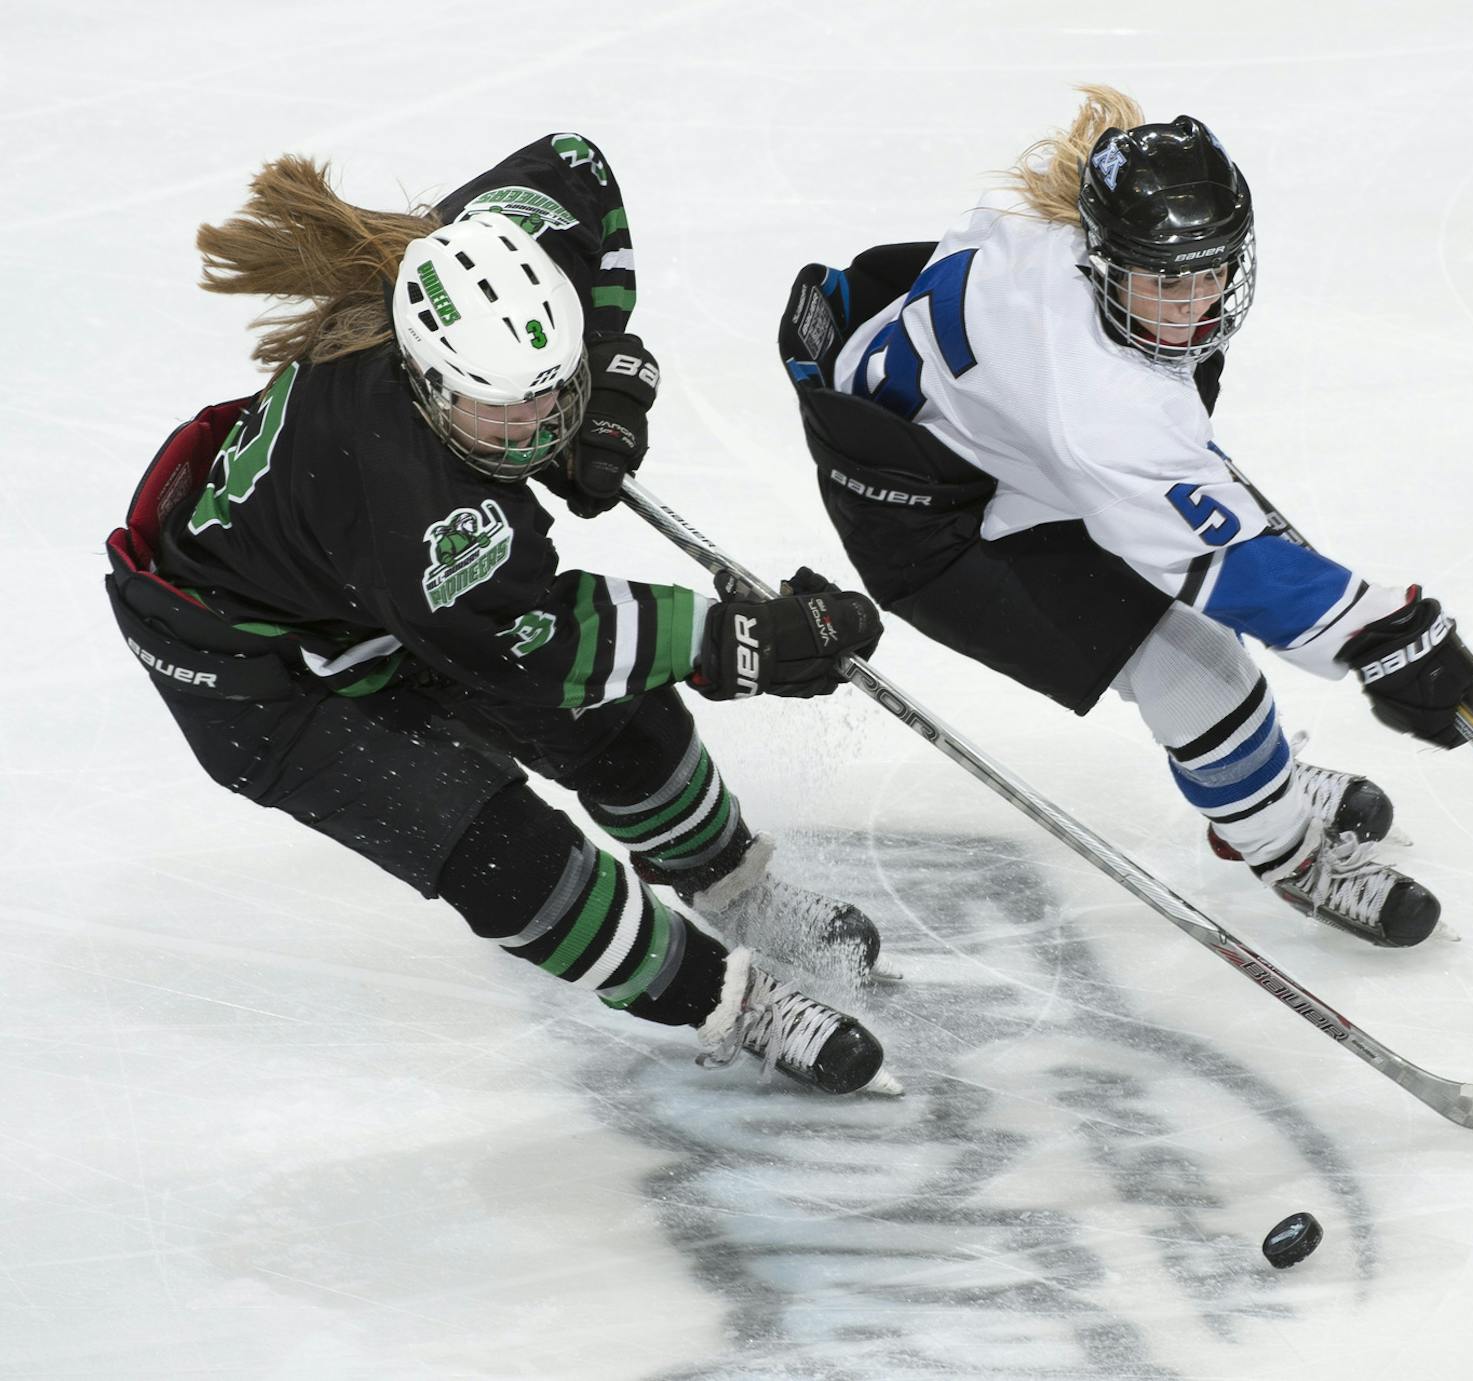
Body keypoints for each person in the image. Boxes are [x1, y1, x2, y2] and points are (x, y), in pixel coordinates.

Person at [105, 133, 896, 1095]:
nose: (535, 430)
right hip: (257, 673)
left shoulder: (489, 281)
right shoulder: (411, 496)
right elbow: (546, 647)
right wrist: (739, 642)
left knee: (626, 725)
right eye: (499, 417)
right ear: (429, 382)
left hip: (351, 588)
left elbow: (578, 171)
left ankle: (739, 890)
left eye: (550, 394)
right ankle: (742, 1004)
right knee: (506, 851)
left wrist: (601, 371)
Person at [775, 88, 1473, 948]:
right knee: (1194, 664)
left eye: (1213, 271)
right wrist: (1385, 635)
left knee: (1190, 616)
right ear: (1106, 263)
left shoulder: (1062, 225)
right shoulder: (1097, 403)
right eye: (1167, 283)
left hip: (973, 447)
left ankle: (1257, 777)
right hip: (935, 529)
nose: (1195, 306)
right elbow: (1224, 568)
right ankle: (1288, 852)